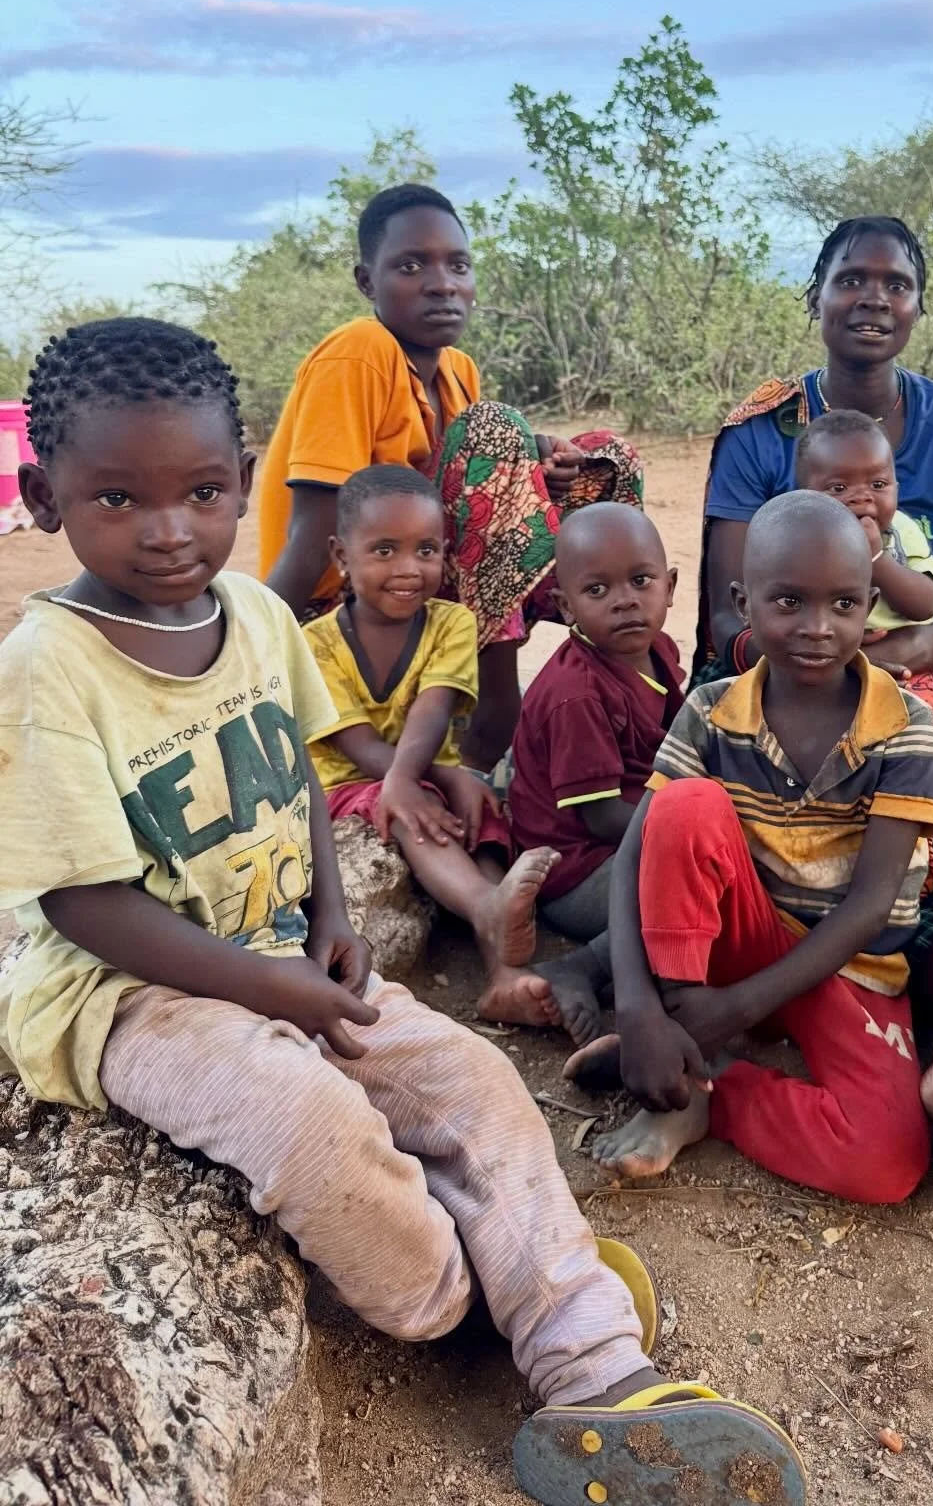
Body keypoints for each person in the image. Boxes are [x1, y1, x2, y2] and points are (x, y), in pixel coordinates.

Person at [0, 317, 804, 1506]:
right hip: (135, 996)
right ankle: (469, 1302)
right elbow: (83, 902)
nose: (170, 529)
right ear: (41, 494)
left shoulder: (262, 618)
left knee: (473, 1081)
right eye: (119, 497)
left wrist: (328, 910)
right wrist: (266, 987)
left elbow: (302, 780)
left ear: (251, 485)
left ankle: (596, 1368)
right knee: (314, 1128)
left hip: (282, 953)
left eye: (206, 492)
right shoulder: (47, 667)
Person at [694, 217, 933, 1194]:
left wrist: (909, 651)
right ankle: (901, 1020)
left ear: (919, 305)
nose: (872, 298)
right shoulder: (760, 431)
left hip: (928, 670)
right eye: (851, 279)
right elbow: (719, 623)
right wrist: (832, 660)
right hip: (790, 668)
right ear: (814, 296)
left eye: (895, 283)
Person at [584, 493, 933, 1203]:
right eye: (789, 603)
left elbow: (873, 905)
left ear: (871, 605)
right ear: (744, 603)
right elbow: (635, 854)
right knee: (684, 806)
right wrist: (638, 1006)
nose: (818, 628)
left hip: (846, 963)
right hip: (733, 945)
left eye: (844, 605)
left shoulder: (904, 724)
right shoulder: (712, 711)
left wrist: (737, 1010)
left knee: (886, 1161)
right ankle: (675, 1064)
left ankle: (716, 1090)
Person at [258, 183, 642, 767]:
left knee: (606, 459)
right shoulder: (358, 352)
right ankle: (492, 700)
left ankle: (608, 682)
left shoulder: (458, 370)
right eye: (411, 266)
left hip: (430, 572)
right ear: (367, 282)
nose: (442, 284)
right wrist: (256, 653)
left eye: (457, 265)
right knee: (495, 427)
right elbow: (314, 531)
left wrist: (539, 461)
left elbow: (458, 484)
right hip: (346, 597)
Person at [304, 463, 559, 1028]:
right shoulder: (313, 644)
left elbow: (434, 706)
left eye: (426, 550)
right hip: (344, 785)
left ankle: (503, 975)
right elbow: (352, 739)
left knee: (486, 820)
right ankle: (484, 908)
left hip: (417, 773)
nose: (408, 569)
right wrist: (405, 784)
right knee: (411, 814)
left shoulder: (451, 622)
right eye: (385, 550)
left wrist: (447, 778)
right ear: (341, 555)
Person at [507, 504, 685, 1044]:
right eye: (598, 590)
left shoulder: (657, 650)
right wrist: (683, 838)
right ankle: (580, 966)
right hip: (578, 868)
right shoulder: (576, 693)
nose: (626, 600)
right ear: (565, 606)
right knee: (693, 890)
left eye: (641, 580)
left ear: (670, 586)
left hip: (628, 832)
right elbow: (599, 813)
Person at [793, 407, 933, 707]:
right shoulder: (797, 538)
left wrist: (876, 556)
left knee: (907, 714)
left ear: (896, 489)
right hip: (822, 662)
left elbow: (925, 604)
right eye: (839, 487)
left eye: (878, 485)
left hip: (904, 667)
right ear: (806, 495)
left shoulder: (902, 533)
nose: (862, 497)